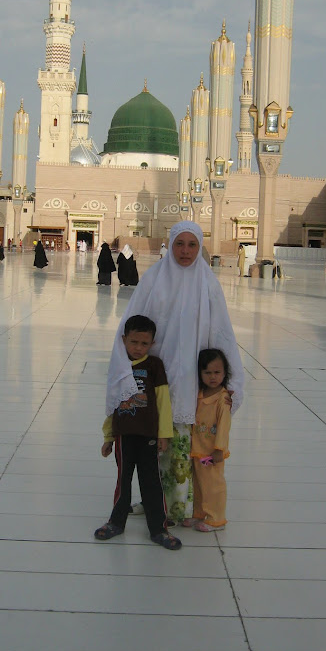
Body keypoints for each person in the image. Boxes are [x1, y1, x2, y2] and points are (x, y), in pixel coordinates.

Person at [106, 220, 244, 526]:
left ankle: (179, 506)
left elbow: (221, 332)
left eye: (192, 245)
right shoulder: (155, 277)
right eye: (180, 244)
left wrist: (227, 379)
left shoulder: (208, 282)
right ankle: (154, 500)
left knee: (184, 446)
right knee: (154, 444)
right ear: (171, 245)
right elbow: (133, 322)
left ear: (200, 247)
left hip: (193, 380)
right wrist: (128, 370)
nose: (185, 251)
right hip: (155, 377)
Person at [95, 315, 182, 551]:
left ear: (152, 344)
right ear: (123, 340)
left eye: (144, 344)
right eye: (133, 342)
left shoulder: (154, 366)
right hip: (124, 436)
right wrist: (108, 437)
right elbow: (112, 402)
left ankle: (158, 528)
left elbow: (163, 402)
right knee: (123, 480)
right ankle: (116, 522)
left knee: (151, 481)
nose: (138, 348)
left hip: (149, 436)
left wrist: (164, 434)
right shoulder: (119, 365)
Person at [182, 349, 232, 533]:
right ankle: (199, 513)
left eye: (217, 372)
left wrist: (219, 449)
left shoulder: (223, 399)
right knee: (198, 484)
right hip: (198, 450)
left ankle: (216, 518)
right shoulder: (200, 394)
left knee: (213, 484)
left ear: (225, 373)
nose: (213, 377)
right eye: (207, 372)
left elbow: (224, 425)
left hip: (212, 453)